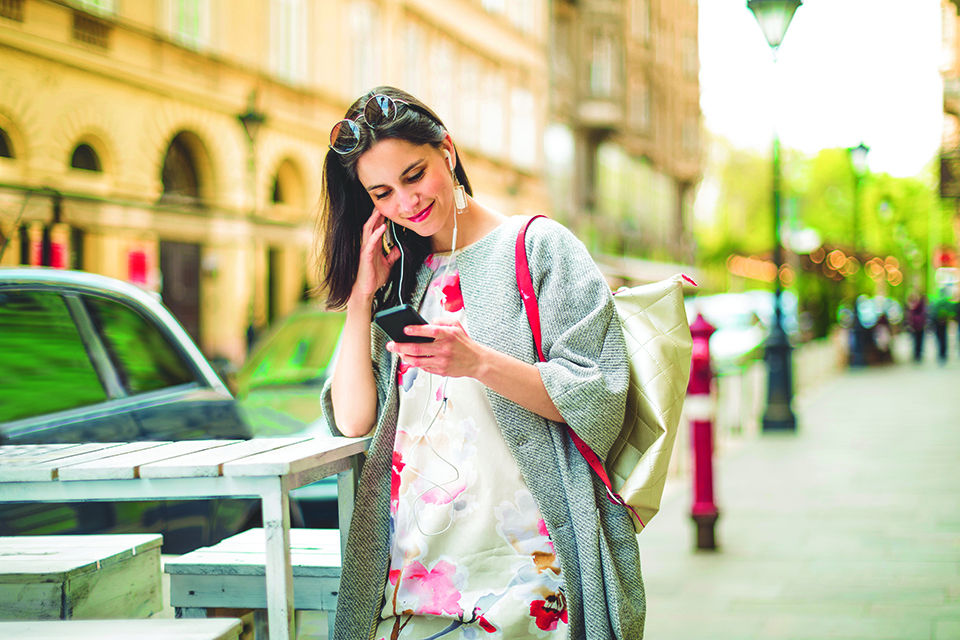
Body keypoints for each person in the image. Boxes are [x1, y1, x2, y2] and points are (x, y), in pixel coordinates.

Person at [316, 86, 643, 640]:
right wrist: (361, 296)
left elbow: (598, 395)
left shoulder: (539, 247)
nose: (406, 202)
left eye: (415, 175)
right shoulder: (401, 275)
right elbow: (352, 421)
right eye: (383, 193)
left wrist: (477, 362)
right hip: (413, 573)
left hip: (530, 571)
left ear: (447, 150)